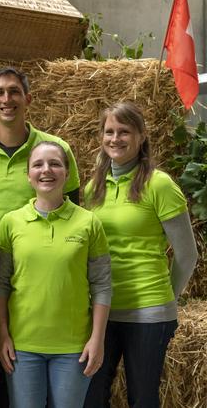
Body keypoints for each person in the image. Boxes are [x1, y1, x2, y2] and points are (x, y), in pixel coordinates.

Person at [0, 67, 81, 407]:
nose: (6, 99)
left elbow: (74, 210)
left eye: (14, 92)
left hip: (43, 275)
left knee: (44, 369)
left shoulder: (55, 150)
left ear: (27, 99)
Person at [83, 102, 198, 408]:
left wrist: (167, 301)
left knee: (142, 398)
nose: (115, 138)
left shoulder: (159, 185)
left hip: (148, 311)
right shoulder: (93, 188)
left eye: (124, 131)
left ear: (142, 136)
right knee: (91, 396)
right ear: (101, 137)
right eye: (109, 131)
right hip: (103, 313)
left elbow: (187, 255)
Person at [0, 141, 111, 408]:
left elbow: (102, 285)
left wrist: (97, 339)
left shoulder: (88, 222)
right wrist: (3, 334)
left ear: (67, 173)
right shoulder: (10, 223)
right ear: (28, 176)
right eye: (38, 164)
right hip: (23, 347)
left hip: (74, 348)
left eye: (55, 164)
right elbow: (0, 285)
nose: (46, 170)